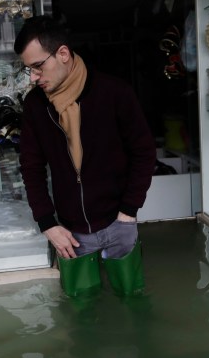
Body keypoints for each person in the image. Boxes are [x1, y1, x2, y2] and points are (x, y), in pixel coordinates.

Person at [14, 15, 156, 265]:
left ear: (63, 54)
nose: (34, 77)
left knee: (130, 296)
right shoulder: (35, 105)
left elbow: (143, 152)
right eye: (29, 70)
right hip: (70, 234)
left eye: (38, 66)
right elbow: (31, 167)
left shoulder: (114, 93)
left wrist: (129, 211)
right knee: (81, 301)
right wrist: (48, 223)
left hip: (119, 223)